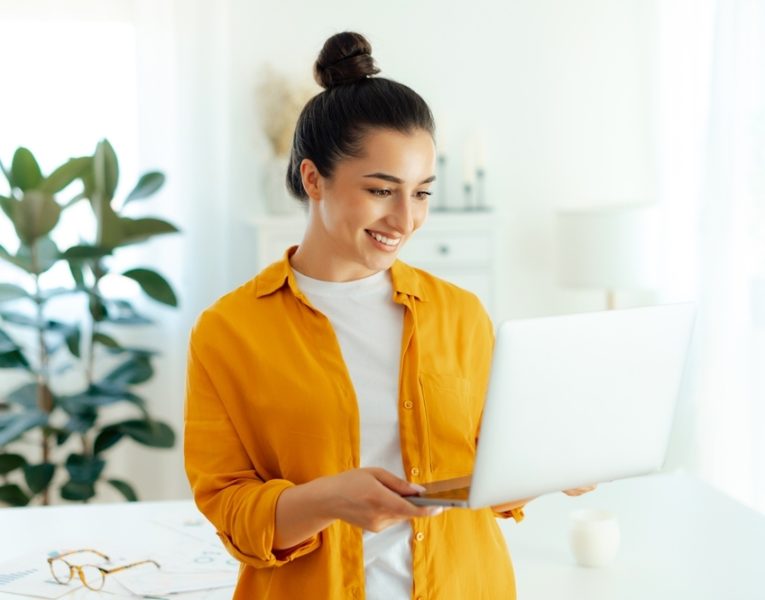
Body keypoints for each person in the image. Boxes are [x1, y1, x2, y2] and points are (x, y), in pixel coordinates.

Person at [184, 31, 594, 599]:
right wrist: (328, 499)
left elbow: (487, 483)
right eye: (382, 190)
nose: (405, 219)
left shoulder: (460, 314)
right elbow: (229, 507)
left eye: (422, 193)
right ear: (313, 179)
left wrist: (551, 466)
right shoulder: (229, 331)